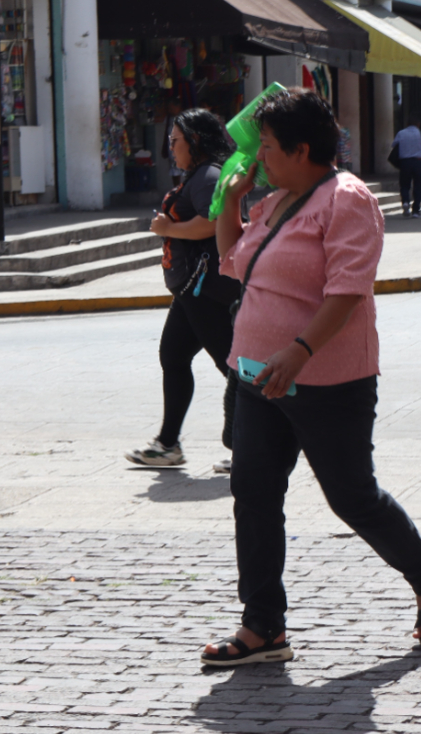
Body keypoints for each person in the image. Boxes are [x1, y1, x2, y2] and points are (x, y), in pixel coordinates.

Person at [205, 87, 421, 667]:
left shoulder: (347, 200)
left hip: (326, 380)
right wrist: (230, 203)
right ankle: (262, 626)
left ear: (301, 149)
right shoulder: (274, 200)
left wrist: (298, 351)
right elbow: (231, 264)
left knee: (351, 497)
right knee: (254, 493)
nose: (258, 158)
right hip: (255, 377)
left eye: (267, 148)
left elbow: (347, 290)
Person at [126, 108, 239, 473]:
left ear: (195, 141)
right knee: (173, 356)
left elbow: (212, 222)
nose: (170, 148)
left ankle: (255, 444)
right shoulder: (201, 174)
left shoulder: (207, 175)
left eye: (175, 141)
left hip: (206, 288)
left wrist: (167, 229)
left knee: (233, 365)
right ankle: (168, 444)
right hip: (193, 288)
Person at [391, 117, 421, 217]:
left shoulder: (401, 133)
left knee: (404, 184)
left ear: (407, 123)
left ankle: (405, 202)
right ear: (418, 124)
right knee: (418, 185)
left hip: (405, 162)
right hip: (418, 162)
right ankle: (416, 210)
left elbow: (394, 145)